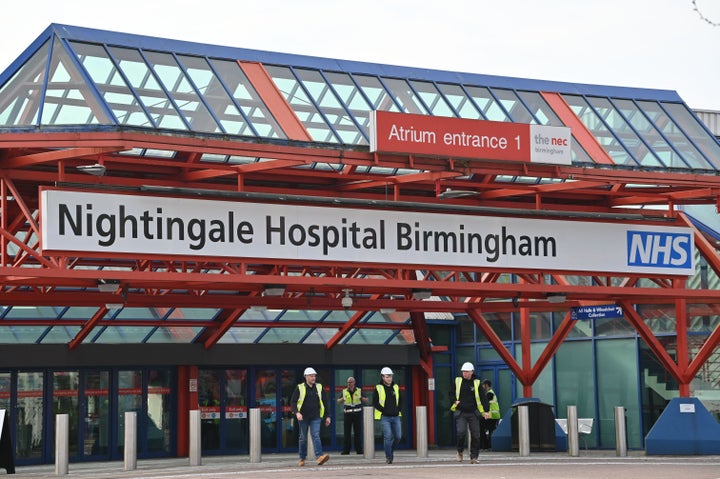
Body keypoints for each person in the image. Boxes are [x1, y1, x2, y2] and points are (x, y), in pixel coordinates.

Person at [290, 367, 331, 467]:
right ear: (306, 377)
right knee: (303, 438)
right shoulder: (300, 387)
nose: (313, 378)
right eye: (311, 376)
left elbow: (325, 402)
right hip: (303, 417)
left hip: (316, 416)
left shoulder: (319, 387)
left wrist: (328, 416)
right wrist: (297, 413)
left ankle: (319, 456)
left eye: (314, 376)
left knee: (316, 435)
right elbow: (293, 401)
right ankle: (302, 458)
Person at [451, 362, 489, 464]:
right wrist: (454, 401)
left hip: (473, 413)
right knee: (461, 433)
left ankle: (474, 457)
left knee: (476, 435)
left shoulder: (477, 383)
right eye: (463, 372)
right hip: (461, 412)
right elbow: (451, 393)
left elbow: (483, 397)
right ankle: (460, 451)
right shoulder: (457, 381)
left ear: (472, 372)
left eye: (467, 372)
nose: (465, 373)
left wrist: (486, 410)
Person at [373, 366, 402, 464]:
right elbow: (375, 403)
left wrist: (398, 409)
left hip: (396, 416)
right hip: (385, 417)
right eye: (387, 376)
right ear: (382, 377)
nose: (389, 378)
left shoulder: (396, 387)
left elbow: (401, 400)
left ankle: (390, 450)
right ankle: (389, 457)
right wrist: (384, 411)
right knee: (388, 436)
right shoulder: (378, 388)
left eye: (390, 376)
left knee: (398, 437)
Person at [337, 376, 367, 455]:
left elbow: (366, 400)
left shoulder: (359, 391)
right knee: (347, 433)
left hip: (357, 414)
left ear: (354, 382)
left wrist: (361, 398)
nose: (349, 384)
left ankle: (359, 450)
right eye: (348, 382)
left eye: (350, 382)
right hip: (348, 414)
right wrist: (342, 399)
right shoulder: (344, 391)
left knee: (358, 433)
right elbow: (338, 401)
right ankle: (346, 450)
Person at [481, 379, 501, 450]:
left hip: (492, 416)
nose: (482, 386)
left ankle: (487, 446)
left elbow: (484, 402)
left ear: (486, 385)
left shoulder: (490, 394)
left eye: (483, 385)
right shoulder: (490, 393)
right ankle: (488, 446)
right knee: (490, 430)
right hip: (492, 416)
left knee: (484, 429)